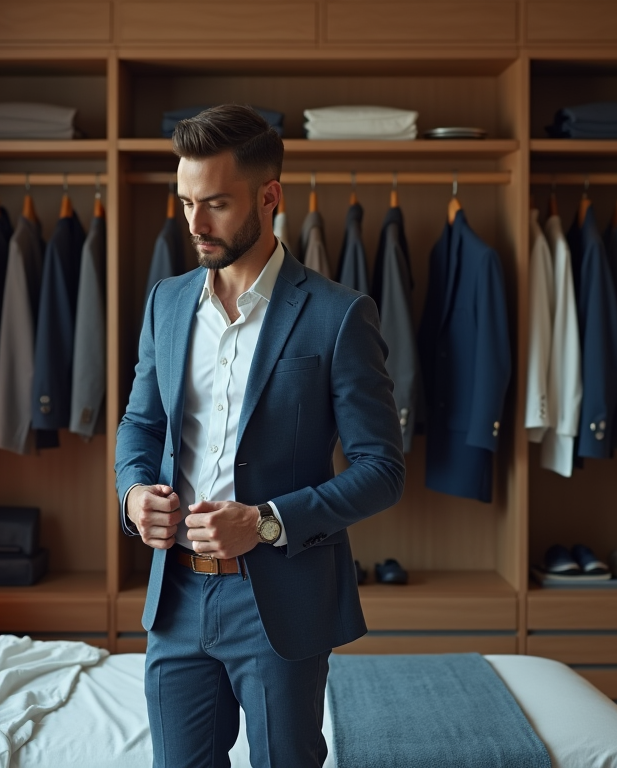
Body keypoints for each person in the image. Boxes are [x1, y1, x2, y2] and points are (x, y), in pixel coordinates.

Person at [114, 104, 405, 768]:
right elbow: (140, 423)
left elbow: (381, 468)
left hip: (279, 598)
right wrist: (132, 495)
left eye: (214, 203)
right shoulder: (166, 301)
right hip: (176, 596)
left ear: (269, 196)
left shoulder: (338, 315)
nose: (194, 223)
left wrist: (267, 522)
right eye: (186, 202)